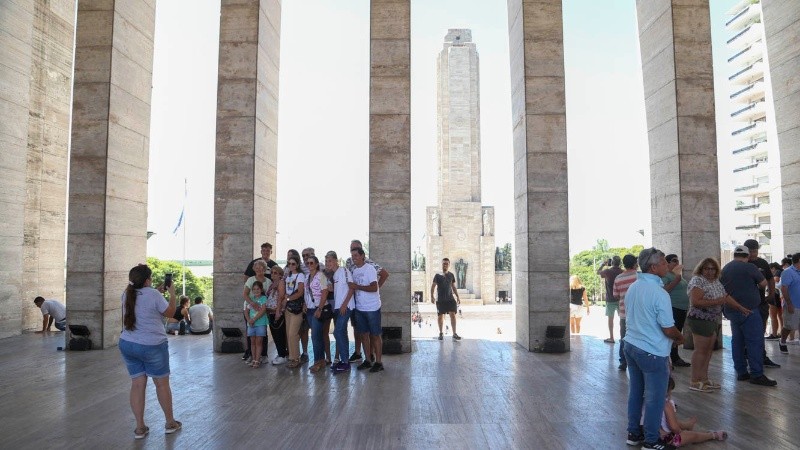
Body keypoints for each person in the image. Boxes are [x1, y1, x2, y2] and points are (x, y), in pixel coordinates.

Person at [623, 248, 684, 449]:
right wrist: (679, 337)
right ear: (654, 267)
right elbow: (667, 328)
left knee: (636, 392)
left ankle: (634, 433)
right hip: (652, 351)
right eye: (665, 263)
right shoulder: (659, 293)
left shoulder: (634, 286)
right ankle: (651, 440)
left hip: (631, 345)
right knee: (655, 398)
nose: (668, 266)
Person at [119, 264, 181, 439]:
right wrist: (173, 293)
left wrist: (156, 291)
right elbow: (169, 312)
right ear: (147, 280)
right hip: (152, 345)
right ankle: (170, 422)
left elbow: (143, 302)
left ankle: (140, 427)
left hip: (128, 343)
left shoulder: (127, 294)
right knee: (161, 384)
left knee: (137, 384)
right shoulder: (153, 294)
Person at [686, 257, 749, 392]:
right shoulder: (698, 280)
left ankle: (704, 378)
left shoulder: (715, 281)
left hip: (712, 318)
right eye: (706, 269)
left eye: (712, 269)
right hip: (700, 318)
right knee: (700, 350)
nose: (710, 271)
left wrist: (739, 307)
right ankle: (695, 380)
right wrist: (716, 301)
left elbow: (725, 297)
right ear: (701, 269)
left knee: (708, 350)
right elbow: (696, 301)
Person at [720, 245, 775, 386]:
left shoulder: (725, 268)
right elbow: (763, 283)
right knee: (754, 342)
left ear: (734, 255)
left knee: (737, 341)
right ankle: (757, 374)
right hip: (749, 310)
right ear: (747, 256)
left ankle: (741, 372)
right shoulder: (750, 267)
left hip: (732, 310)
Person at [345, 239, 389, 364]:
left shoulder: (370, 266)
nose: (353, 256)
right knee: (360, 331)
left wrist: (374, 291)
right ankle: (364, 357)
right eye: (351, 252)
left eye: (356, 253)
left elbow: (383, 276)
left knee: (374, 334)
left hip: (371, 307)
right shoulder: (350, 263)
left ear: (362, 254)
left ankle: (377, 361)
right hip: (358, 305)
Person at [652, 376, 728, 447]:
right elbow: (674, 427)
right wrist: (681, 432)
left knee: (670, 420)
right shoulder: (667, 405)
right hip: (667, 440)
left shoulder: (647, 402)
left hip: (651, 437)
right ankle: (712, 435)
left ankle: (688, 425)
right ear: (667, 391)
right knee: (693, 435)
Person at [742, 239, 780, 369]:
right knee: (745, 332)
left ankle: (762, 356)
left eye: (756, 250)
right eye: (751, 251)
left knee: (761, 331)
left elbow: (770, 278)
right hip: (745, 304)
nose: (754, 254)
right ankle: (745, 355)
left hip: (761, 302)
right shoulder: (742, 262)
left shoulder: (762, 262)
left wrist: (771, 293)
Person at [326, 251, 354, 374]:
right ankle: (344, 361)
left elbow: (352, 288)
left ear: (336, 261)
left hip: (345, 307)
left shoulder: (343, 271)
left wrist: (344, 305)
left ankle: (345, 362)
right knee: (341, 332)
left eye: (330, 260)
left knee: (337, 332)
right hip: (339, 308)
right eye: (326, 261)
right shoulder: (335, 274)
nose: (328, 263)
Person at [662, 254, 691, 368]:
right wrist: (676, 280)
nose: (677, 263)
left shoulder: (677, 275)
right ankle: (670, 359)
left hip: (682, 308)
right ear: (667, 263)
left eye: (677, 260)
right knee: (673, 334)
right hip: (673, 308)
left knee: (678, 332)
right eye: (674, 261)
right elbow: (664, 290)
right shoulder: (667, 275)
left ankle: (675, 357)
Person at [304, 254, 330, 373]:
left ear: (316, 264)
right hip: (309, 309)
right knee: (317, 336)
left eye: (311, 263)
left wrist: (319, 309)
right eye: (307, 263)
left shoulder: (321, 276)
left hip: (318, 309)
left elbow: (325, 293)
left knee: (315, 337)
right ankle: (321, 360)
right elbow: (306, 292)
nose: (309, 265)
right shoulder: (307, 276)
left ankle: (317, 362)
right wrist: (305, 304)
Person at [612, 254, 638, 371]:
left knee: (624, 338)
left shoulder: (618, 278)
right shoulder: (639, 276)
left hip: (624, 314)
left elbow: (616, 295)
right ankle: (637, 361)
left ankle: (623, 361)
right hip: (638, 314)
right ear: (635, 263)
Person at [243, 260, 271, 364]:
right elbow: (245, 294)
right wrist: (252, 303)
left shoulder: (268, 281)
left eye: (261, 268)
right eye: (257, 268)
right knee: (251, 336)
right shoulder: (250, 280)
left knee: (262, 336)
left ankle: (262, 356)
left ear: (264, 269)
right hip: (249, 309)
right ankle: (252, 356)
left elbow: (270, 295)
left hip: (262, 311)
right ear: (254, 269)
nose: (259, 269)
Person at [283, 255, 306, 369]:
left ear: (297, 264)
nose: (291, 266)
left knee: (293, 334)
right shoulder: (288, 276)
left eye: (293, 264)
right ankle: (292, 357)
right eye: (289, 264)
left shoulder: (300, 275)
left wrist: (288, 299)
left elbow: (300, 292)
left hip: (297, 308)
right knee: (289, 334)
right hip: (288, 308)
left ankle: (296, 358)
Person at [431, 258, 462, 340]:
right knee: (440, 316)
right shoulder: (437, 275)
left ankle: (454, 333)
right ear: (441, 264)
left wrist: (458, 296)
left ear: (449, 264)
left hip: (450, 299)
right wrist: (432, 296)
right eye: (443, 263)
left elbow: (454, 287)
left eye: (446, 263)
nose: (445, 265)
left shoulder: (451, 275)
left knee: (453, 315)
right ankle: (441, 333)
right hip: (440, 299)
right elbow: (433, 286)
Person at [266, 265, 288, 365]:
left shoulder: (281, 282)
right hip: (270, 311)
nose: (273, 274)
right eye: (272, 272)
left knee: (279, 334)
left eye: (275, 273)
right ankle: (280, 353)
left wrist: (278, 311)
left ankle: (282, 355)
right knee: (274, 334)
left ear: (280, 274)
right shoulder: (272, 284)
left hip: (276, 312)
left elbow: (280, 297)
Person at [778, 253, 800, 355]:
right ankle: (782, 342)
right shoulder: (788, 272)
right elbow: (784, 288)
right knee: (788, 326)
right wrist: (789, 304)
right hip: (793, 305)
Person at [598, 256, 623, 343]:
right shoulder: (622, 271)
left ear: (612, 262)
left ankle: (611, 337)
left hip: (610, 299)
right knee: (622, 318)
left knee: (610, 319)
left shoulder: (607, 271)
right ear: (619, 263)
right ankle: (622, 337)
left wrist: (603, 264)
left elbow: (598, 272)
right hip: (620, 299)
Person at [246, 280, 269, 368]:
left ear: (261, 289)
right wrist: (249, 320)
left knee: (259, 342)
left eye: (258, 289)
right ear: (252, 290)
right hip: (251, 324)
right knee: (252, 342)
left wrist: (254, 319)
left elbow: (263, 310)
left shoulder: (263, 298)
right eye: (254, 289)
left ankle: (257, 359)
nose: (256, 291)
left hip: (260, 323)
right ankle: (254, 358)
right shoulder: (251, 300)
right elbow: (246, 311)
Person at [767, 262, 784, 340]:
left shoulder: (777, 272)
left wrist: (769, 281)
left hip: (775, 295)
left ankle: (774, 334)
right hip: (779, 296)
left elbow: (775, 280)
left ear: (773, 268)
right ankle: (780, 333)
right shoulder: (782, 271)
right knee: (780, 316)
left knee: (773, 316)